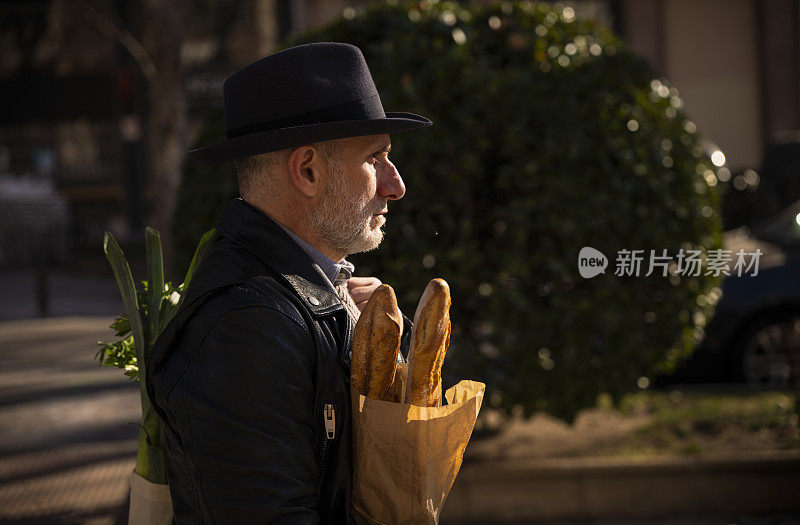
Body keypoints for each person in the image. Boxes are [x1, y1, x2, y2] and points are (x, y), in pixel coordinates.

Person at [145, 42, 431, 523]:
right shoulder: (247, 323)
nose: (395, 184)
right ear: (307, 170)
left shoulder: (306, 297)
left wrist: (363, 335)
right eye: (375, 158)